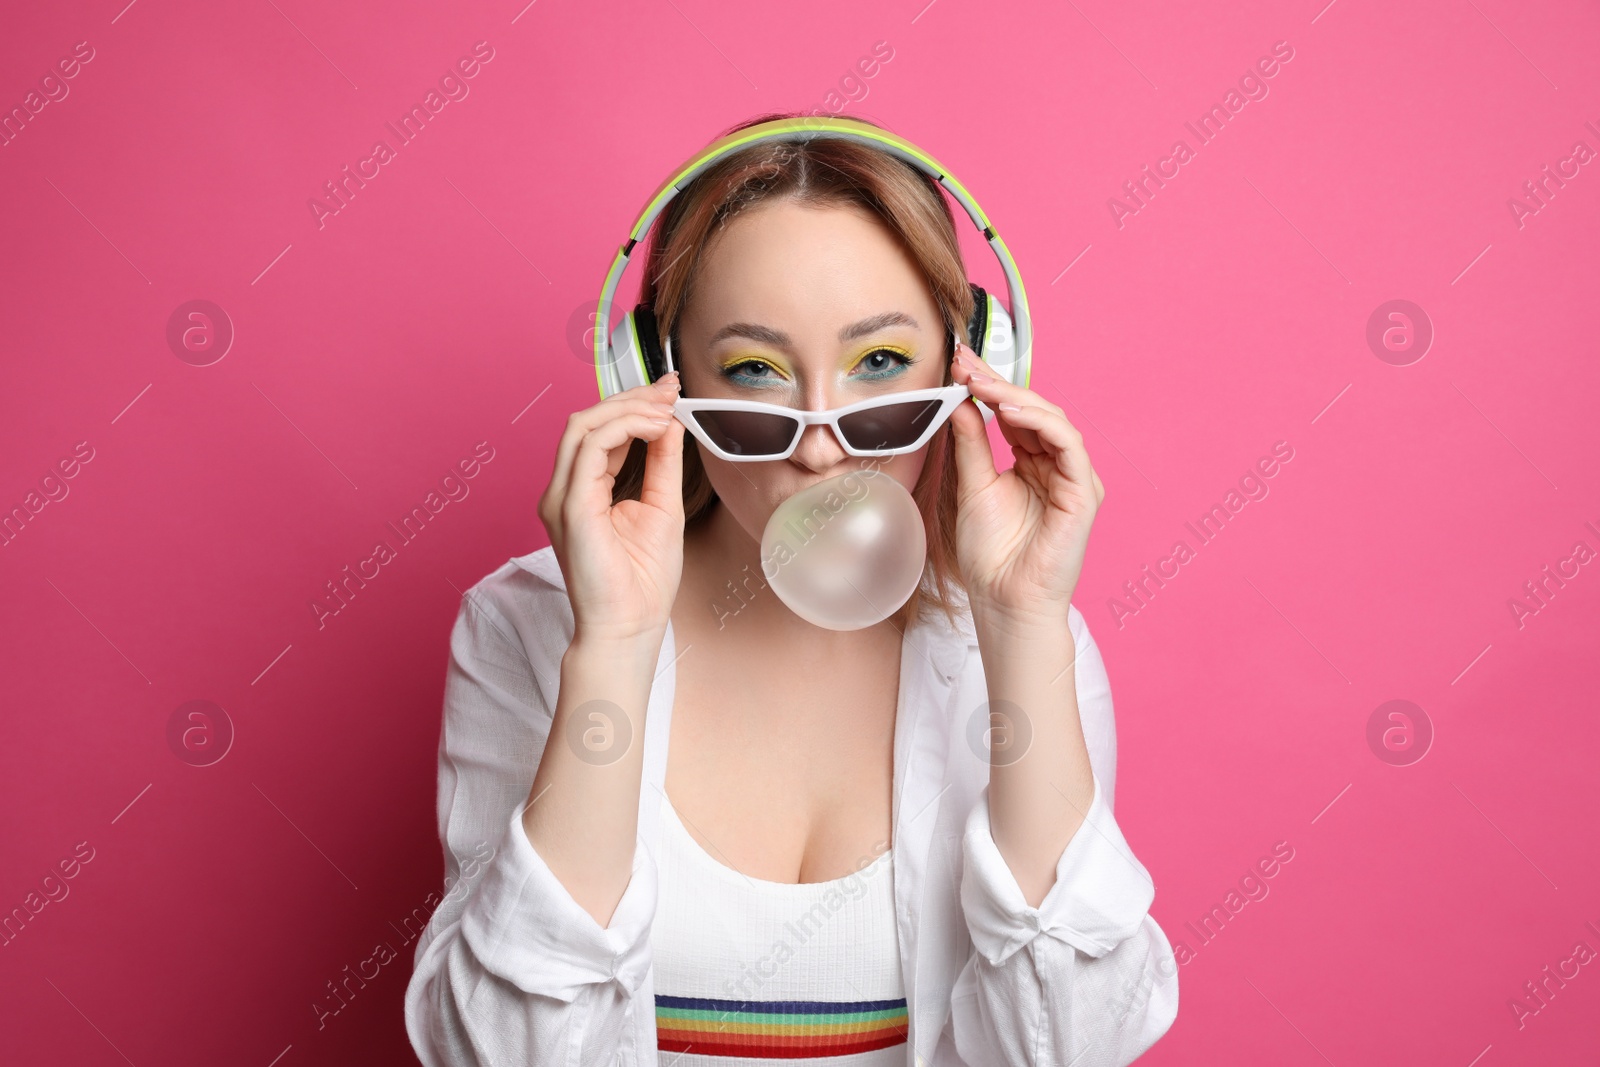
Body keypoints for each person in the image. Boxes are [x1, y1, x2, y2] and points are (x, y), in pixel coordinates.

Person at [404, 111, 1179, 1066]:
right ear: (655, 378)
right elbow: (497, 1054)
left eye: (882, 363)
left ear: (973, 365)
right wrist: (611, 646)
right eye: (757, 371)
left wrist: (1021, 623)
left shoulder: (1017, 645)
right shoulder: (528, 628)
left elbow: (1074, 1044)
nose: (823, 442)